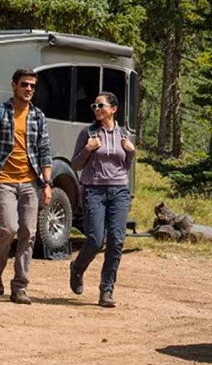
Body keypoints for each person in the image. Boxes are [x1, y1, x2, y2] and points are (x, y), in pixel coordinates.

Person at [0, 68, 52, 305]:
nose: (29, 89)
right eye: (24, 84)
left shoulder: (38, 116)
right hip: (2, 179)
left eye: (32, 86)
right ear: (14, 85)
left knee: (29, 232)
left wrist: (47, 184)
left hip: (29, 182)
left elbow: (45, 152)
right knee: (8, 228)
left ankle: (19, 287)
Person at [69, 91, 135, 308]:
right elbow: (76, 165)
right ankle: (78, 268)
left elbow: (124, 166)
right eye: (94, 106)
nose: (97, 110)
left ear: (113, 109)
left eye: (101, 106)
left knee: (117, 240)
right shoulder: (87, 133)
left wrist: (131, 153)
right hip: (94, 190)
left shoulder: (123, 134)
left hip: (119, 191)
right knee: (96, 240)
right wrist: (88, 150)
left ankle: (106, 290)